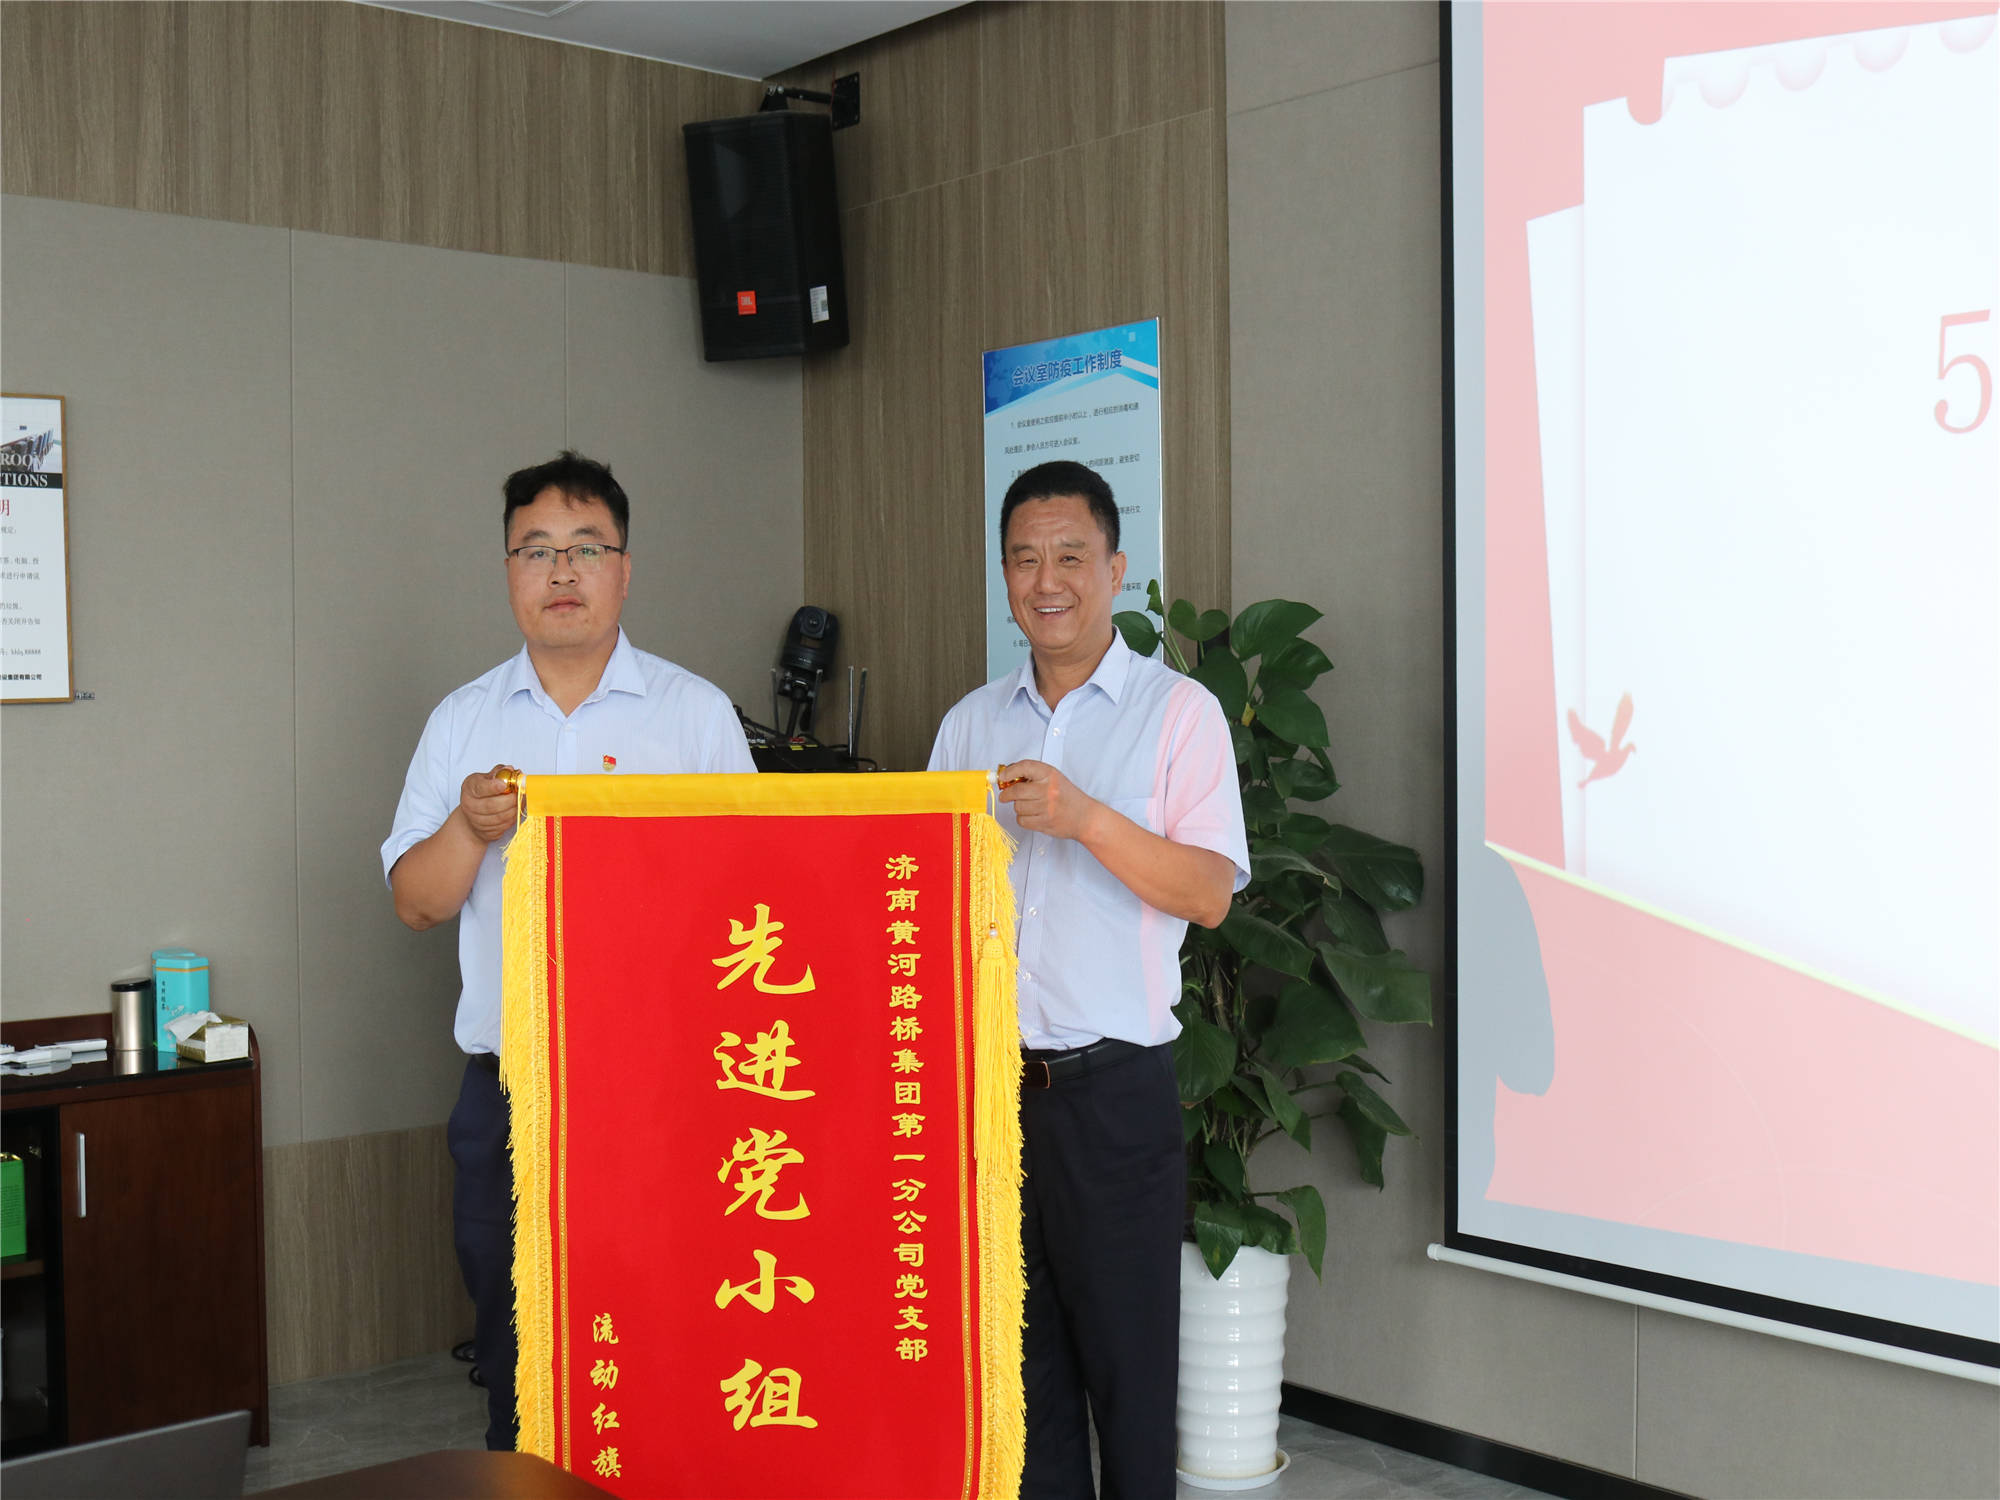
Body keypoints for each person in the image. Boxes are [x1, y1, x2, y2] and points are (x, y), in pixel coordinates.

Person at [381, 451, 753, 1449]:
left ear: (624, 570)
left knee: (668, 1344)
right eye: (536, 550)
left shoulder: (694, 715)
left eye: (586, 549)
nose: (561, 571)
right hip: (508, 1089)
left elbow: (748, 905)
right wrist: (468, 829)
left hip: (664, 1092)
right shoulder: (462, 721)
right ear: (507, 571)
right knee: (519, 1353)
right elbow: (415, 904)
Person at [928, 460, 1249, 1498]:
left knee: (1129, 1377)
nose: (1046, 579)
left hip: (1112, 1094)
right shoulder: (969, 725)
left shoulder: (1179, 713)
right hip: (991, 1098)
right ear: (1004, 577)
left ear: (1114, 569)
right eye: (1024, 558)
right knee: (1022, 1383)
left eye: (1070, 555)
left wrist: (1086, 819)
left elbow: (1209, 892)